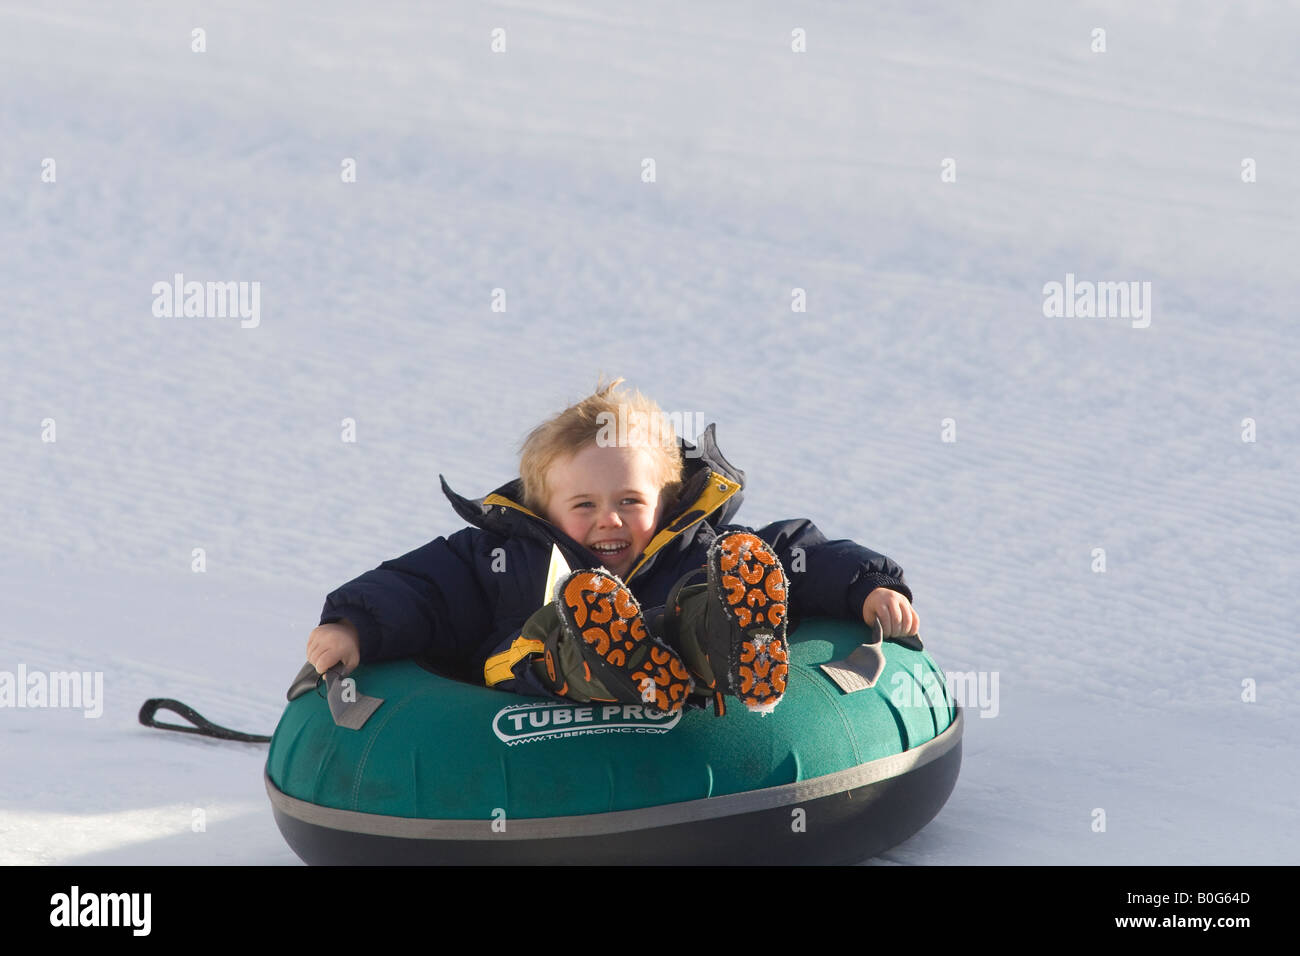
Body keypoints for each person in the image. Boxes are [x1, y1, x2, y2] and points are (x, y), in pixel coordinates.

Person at [305, 378, 919, 716]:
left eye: (630, 501)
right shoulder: (502, 559)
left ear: (666, 498)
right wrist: (352, 627)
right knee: (563, 623)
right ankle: (606, 656)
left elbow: (795, 553)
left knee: (705, 598)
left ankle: (729, 640)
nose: (610, 522)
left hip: (675, 661)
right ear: (543, 508)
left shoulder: (701, 546)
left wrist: (869, 586)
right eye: (584, 506)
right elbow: (421, 589)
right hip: (538, 675)